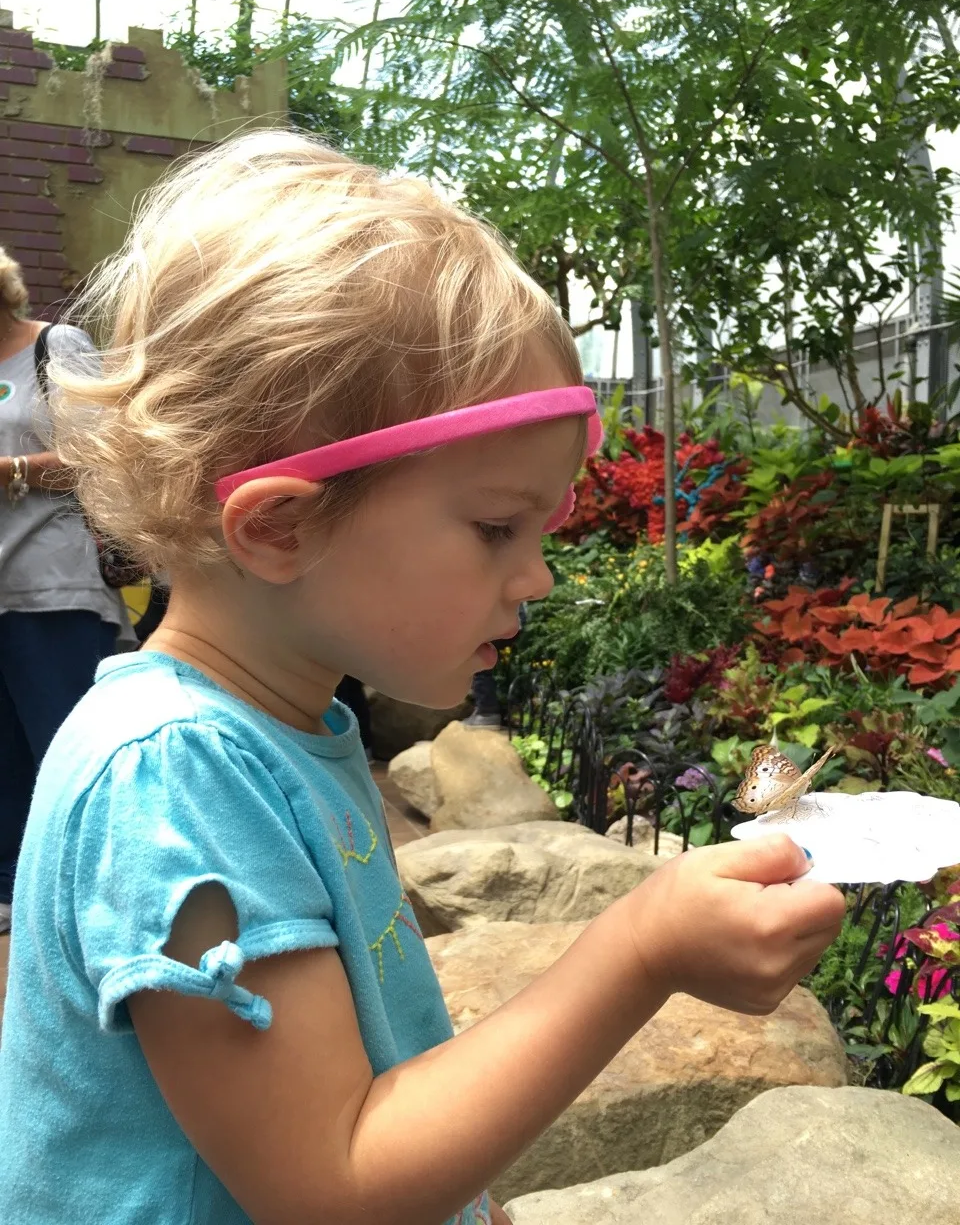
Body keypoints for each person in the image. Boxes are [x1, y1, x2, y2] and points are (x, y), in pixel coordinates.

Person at [0, 134, 845, 1225]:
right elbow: (335, 1181)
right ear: (281, 524)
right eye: (497, 525)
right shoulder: (174, 777)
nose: (536, 575)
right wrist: (638, 951)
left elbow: (364, 1067)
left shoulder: (281, 722)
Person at [0, 247, 131, 936]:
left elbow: (102, 453)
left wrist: (12, 469)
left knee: (64, 747)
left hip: (55, 584)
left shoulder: (57, 348)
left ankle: (94, 900)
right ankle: (16, 901)